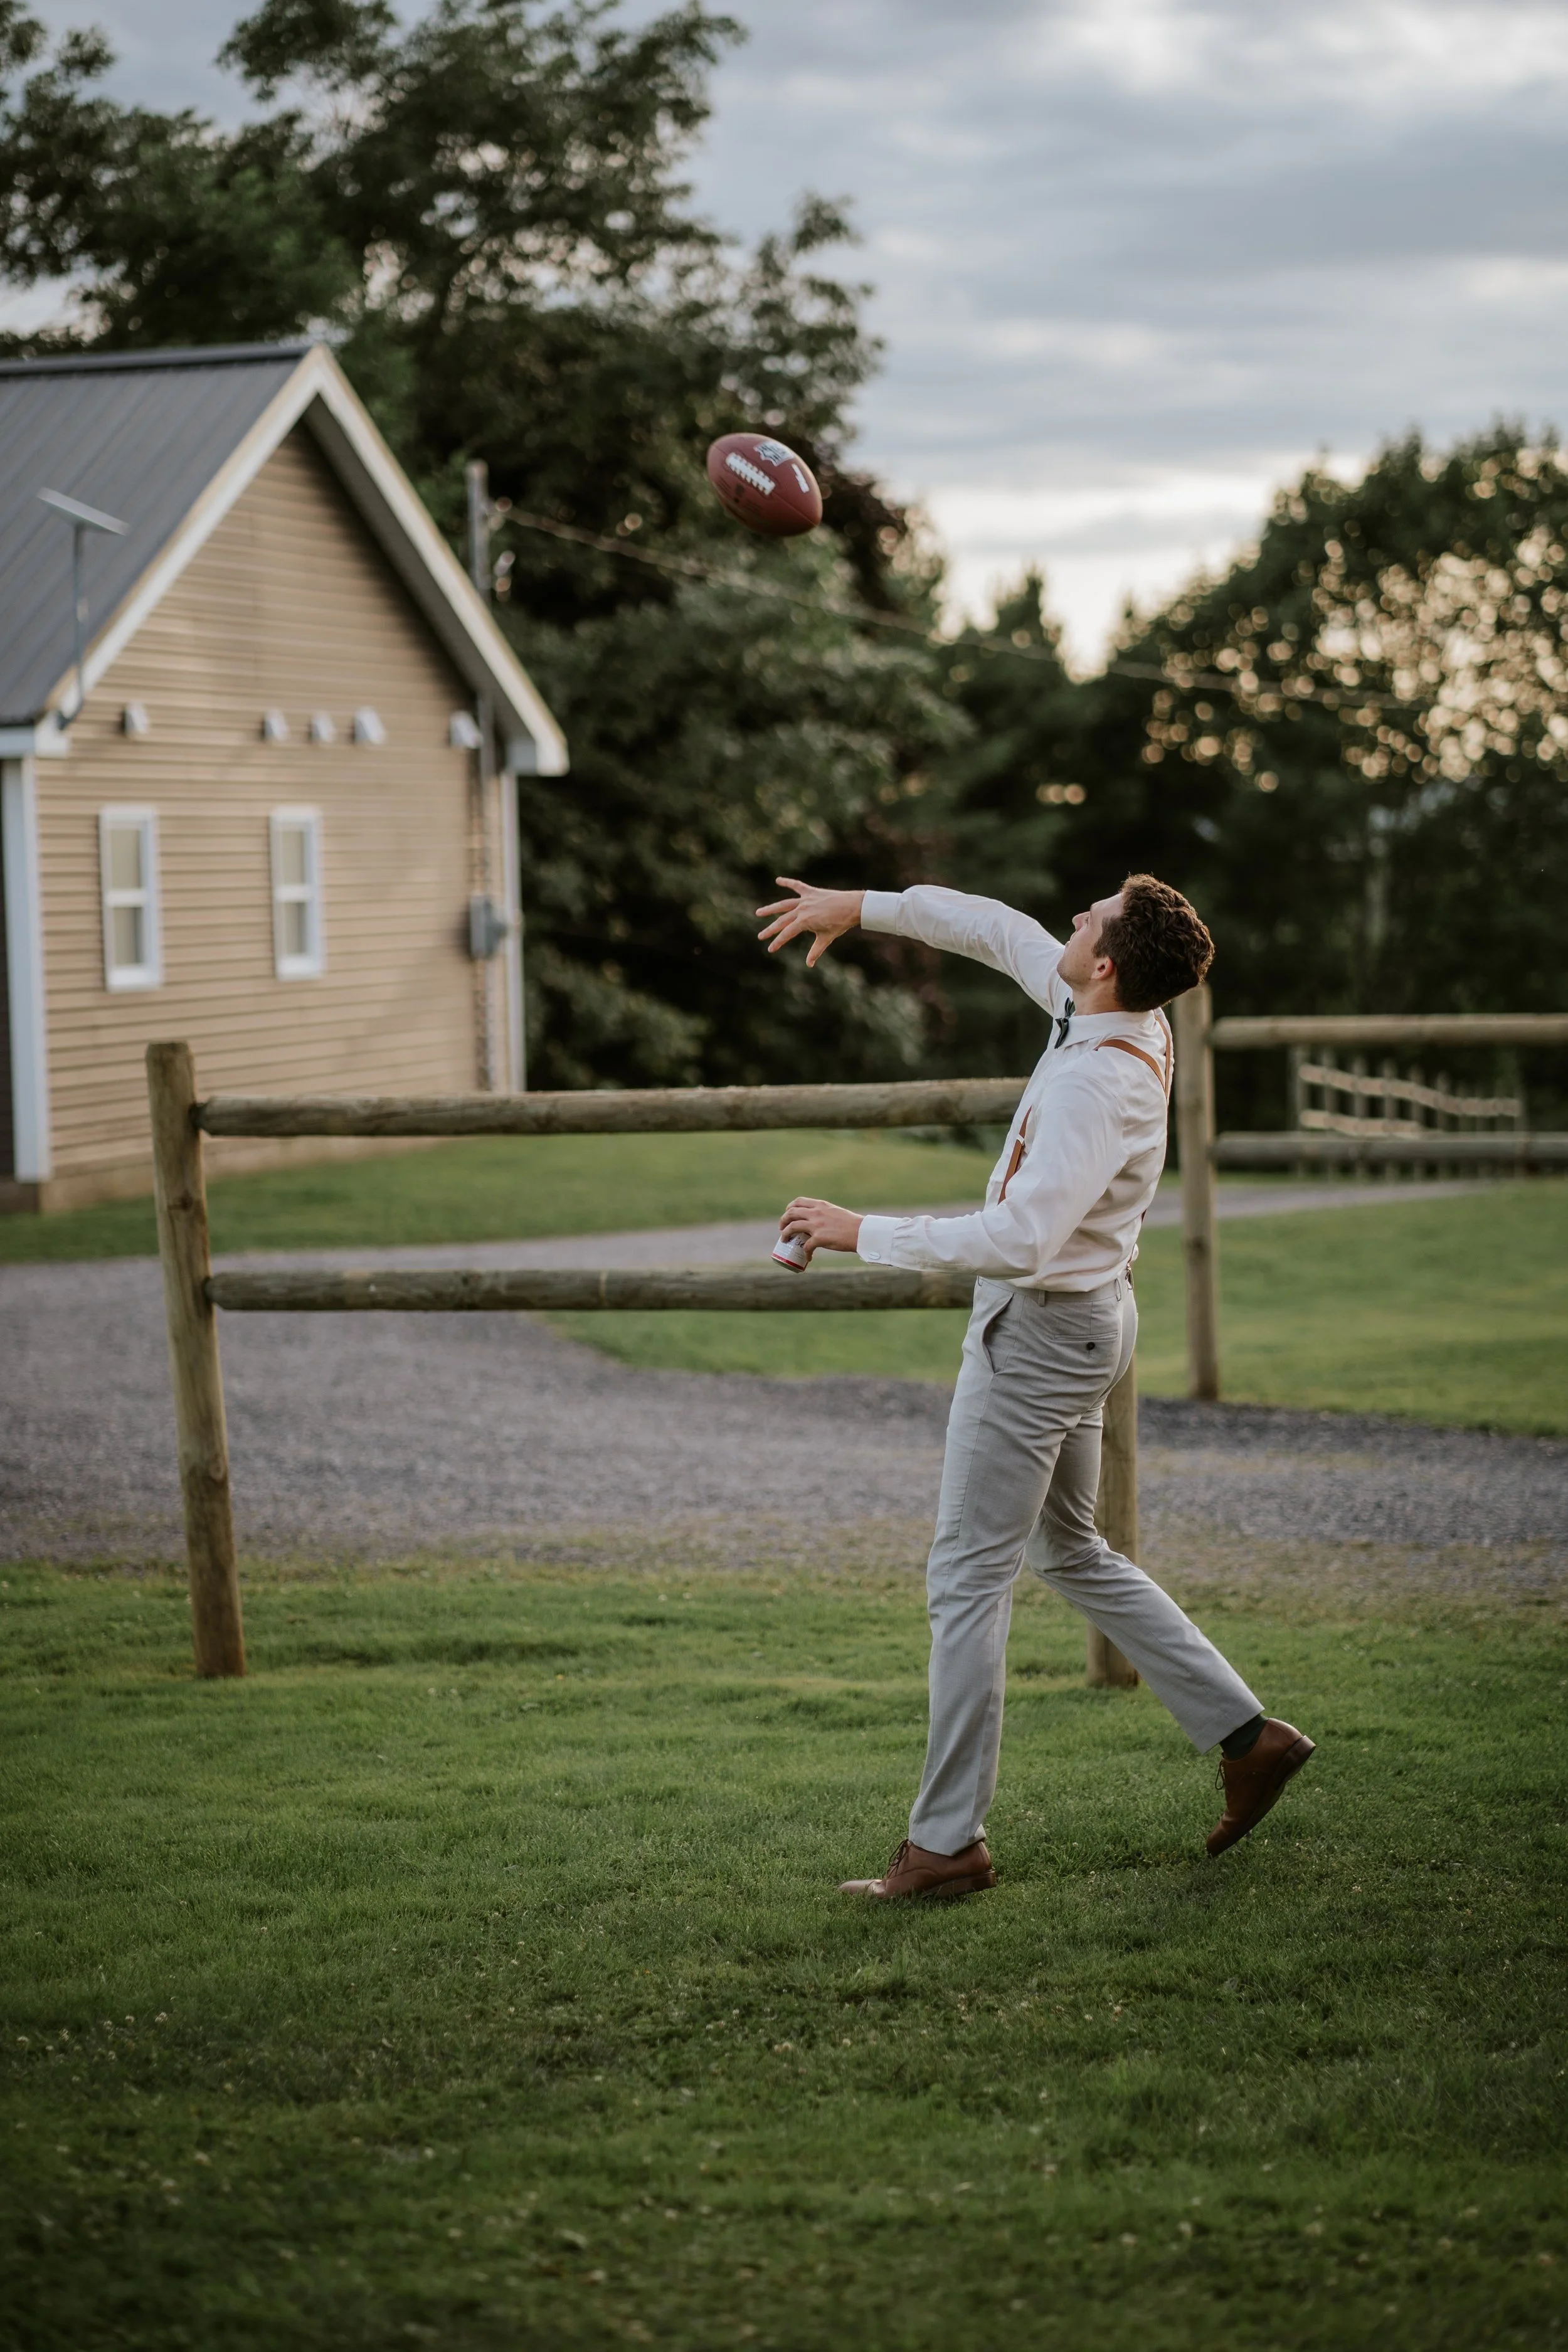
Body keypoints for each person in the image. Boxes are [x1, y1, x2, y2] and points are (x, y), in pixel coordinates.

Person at [756, 872, 1316, 1900]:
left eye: (1091, 915)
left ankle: (943, 1846)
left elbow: (1022, 1239)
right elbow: (993, 925)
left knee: (967, 1577)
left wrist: (857, 1229)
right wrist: (864, 905)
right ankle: (1249, 1735)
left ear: (1105, 961)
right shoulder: (1106, 1012)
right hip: (1090, 1319)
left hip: (1045, 1333)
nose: (1072, 917)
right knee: (1069, 1548)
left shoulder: (1096, 1083)